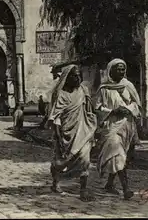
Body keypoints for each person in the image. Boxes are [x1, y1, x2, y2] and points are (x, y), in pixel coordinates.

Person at [46, 65, 97, 202]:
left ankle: (83, 190)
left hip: (83, 131)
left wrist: (92, 128)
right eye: (74, 76)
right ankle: (56, 182)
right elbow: (55, 117)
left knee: (85, 160)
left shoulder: (83, 90)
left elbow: (89, 111)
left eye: (79, 75)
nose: (78, 78)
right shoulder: (61, 94)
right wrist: (58, 135)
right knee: (60, 162)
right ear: (66, 78)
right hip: (65, 133)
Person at [95, 58, 142, 200]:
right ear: (111, 70)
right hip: (111, 125)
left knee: (119, 156)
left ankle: (109, 184)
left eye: (123, 69)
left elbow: (136, 104)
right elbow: (97, 107)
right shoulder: (104, 88)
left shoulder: (129, 86)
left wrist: (129, 109)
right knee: (118, 154)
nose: (121, 71)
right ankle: (126, 189)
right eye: (118, 69)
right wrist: (112, 111)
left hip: (126, 125)